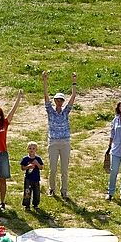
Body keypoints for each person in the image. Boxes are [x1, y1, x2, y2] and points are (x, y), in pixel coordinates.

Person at [43, 71, 77, 199]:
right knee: (52, 169)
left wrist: (74, 81)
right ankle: (52, 189)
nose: (58, 101)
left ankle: (64, 190)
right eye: (56, 99)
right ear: (54, 100)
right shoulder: (50, 111)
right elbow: (45, 96)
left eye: (60, 100)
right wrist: (45, 81)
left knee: (64, 169)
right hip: (53, 142)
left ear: (62, 101)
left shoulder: (66, 111)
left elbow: (73, 96)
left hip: (65, 142)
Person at [20, 141, 44, 211]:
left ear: (36, 150)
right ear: (27, 149)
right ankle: (27, 205)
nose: (31, 150)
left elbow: (41, 168)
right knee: (27, 192)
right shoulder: (25, 159)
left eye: (33, 148)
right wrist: (28, 166)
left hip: (36, 178)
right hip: (28, 178)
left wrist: (37, 164)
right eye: (30, 148)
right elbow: (22, 168)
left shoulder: (38, 159)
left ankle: (35, 204)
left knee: (36, 192)